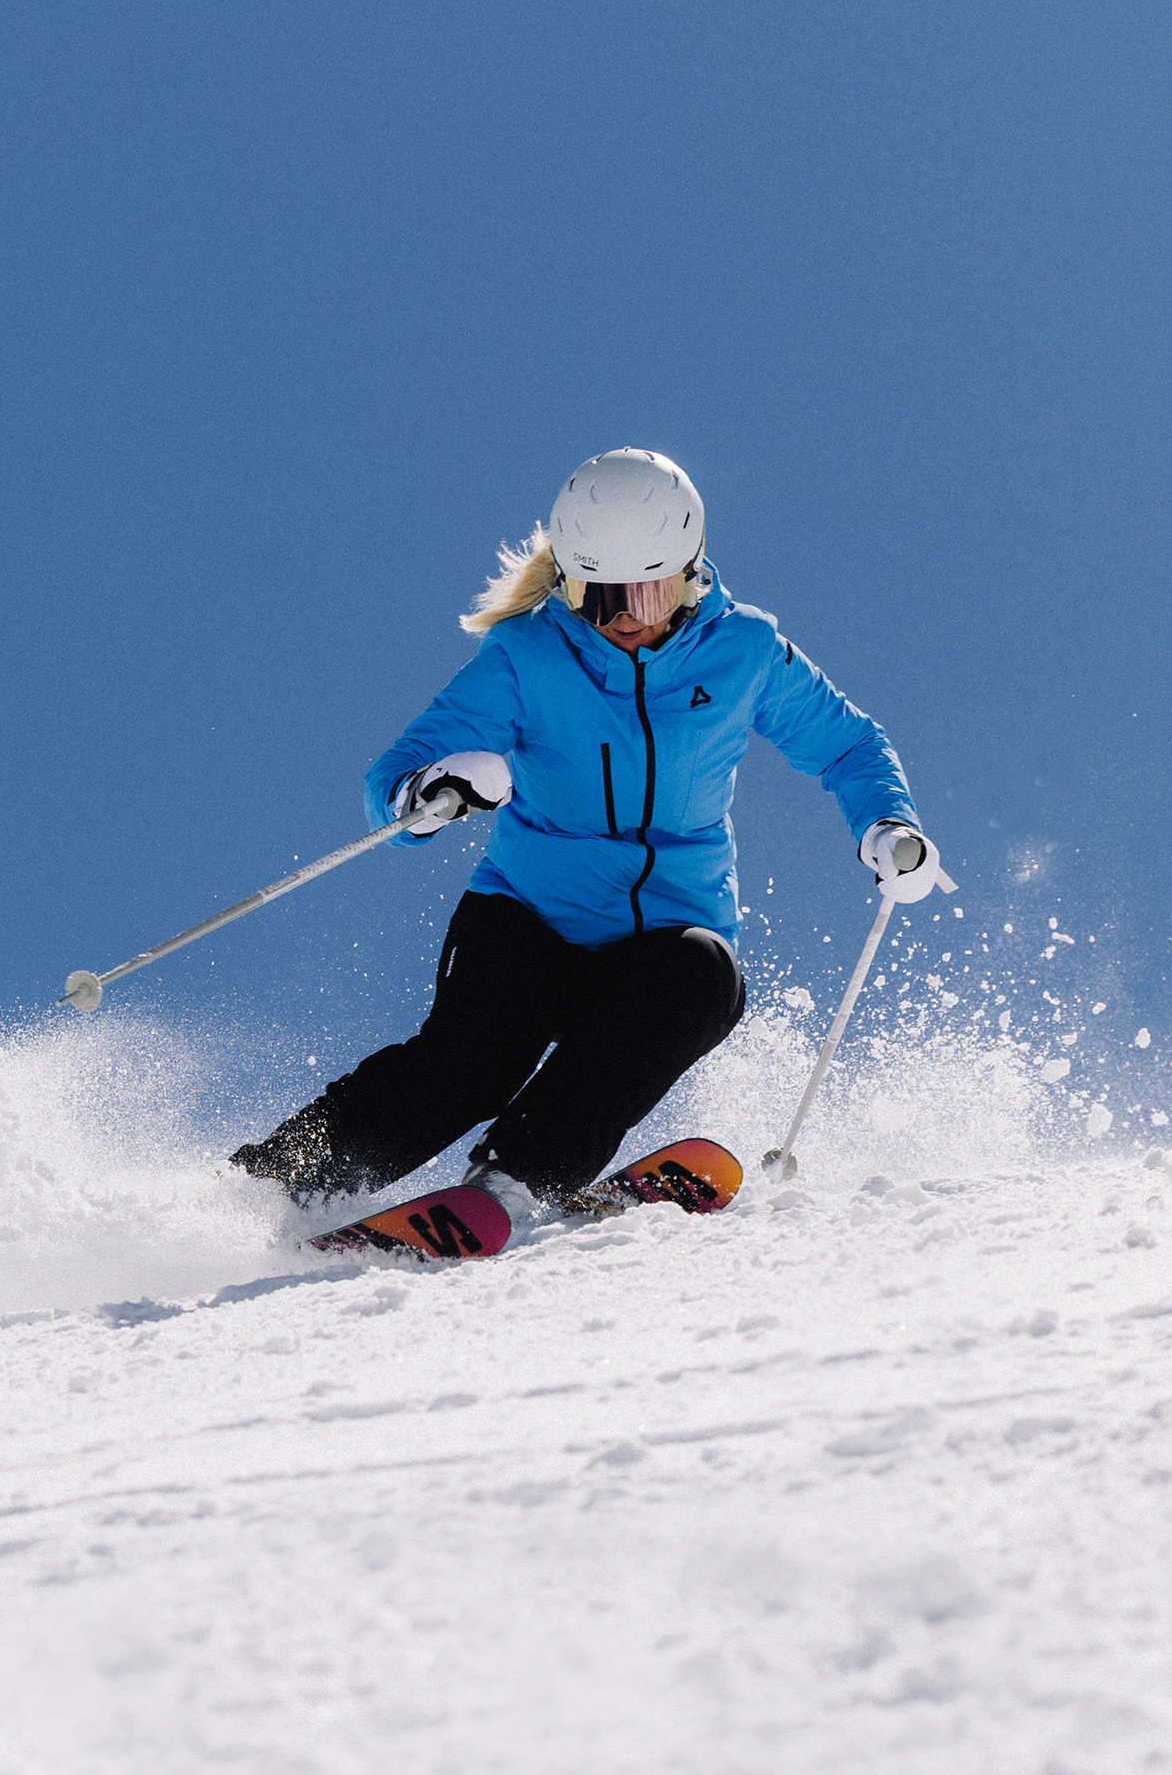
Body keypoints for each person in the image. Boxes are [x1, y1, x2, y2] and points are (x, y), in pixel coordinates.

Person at [232, 448, 938, 1213]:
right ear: (569, 584)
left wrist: (887, 820)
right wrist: (428, 791)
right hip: (528, 917)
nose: (627, 616)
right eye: (601, 597)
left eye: (649, 589)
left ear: (692, 571)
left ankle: (514, 1179)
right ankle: (265, 1193)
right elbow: (400, 770)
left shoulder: (748, 651)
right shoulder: (528, 655)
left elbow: (848, 744)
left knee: (706, 977)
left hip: (667, 935)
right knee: (469, 1068)